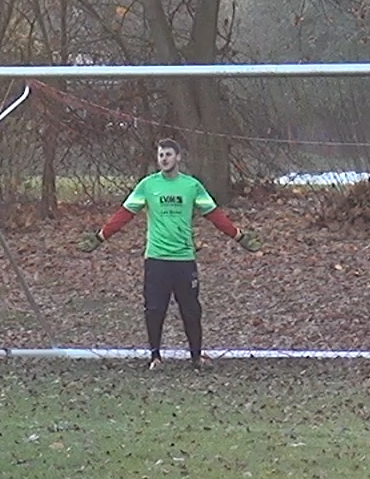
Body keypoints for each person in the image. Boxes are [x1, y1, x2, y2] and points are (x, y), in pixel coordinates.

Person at [78, 138, 261, 370]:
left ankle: (196, 357)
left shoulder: (191, 186)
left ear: (178, 158)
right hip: (156, 259)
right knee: (154, 309)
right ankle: (155, 357)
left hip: (184, 260)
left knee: (191, 310)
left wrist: (239, 236)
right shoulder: (148, 185)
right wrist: (100, 237)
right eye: (161, 155)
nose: (164, 159)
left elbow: (214, 215)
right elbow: (124, 214)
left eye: (168, 154)